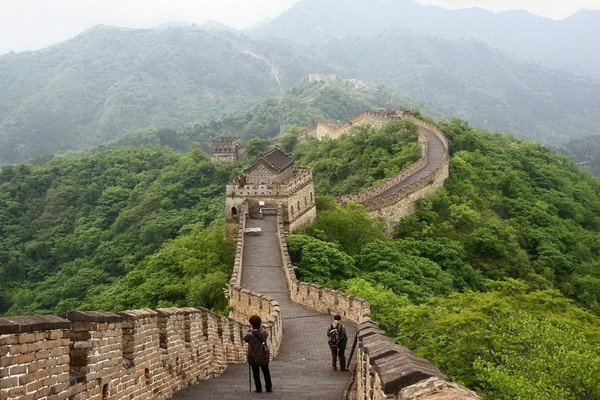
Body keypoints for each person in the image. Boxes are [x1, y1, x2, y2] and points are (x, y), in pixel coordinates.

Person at [243, 315, 272, 393]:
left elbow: (245, 339)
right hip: (263, 354)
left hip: (253, 355)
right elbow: (266, 335)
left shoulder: (250, 335)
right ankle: (268, 388)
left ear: (251, 324)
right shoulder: (263, 332)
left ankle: (258, 388)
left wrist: (250, 330)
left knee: (256, 373)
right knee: (266, 372)